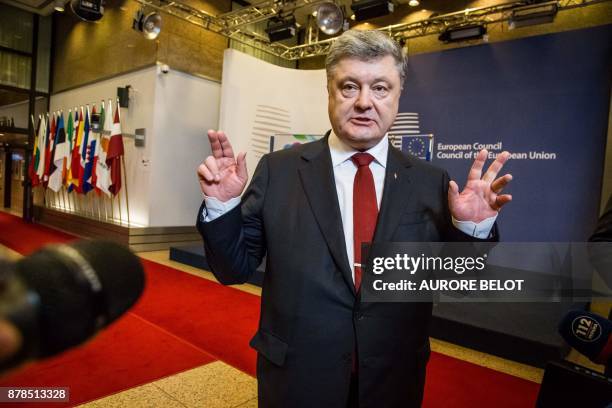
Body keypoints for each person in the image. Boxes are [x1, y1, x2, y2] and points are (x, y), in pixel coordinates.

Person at [196, 30, 512, 408]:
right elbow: (233, 269)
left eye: (380, 88)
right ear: (329, 90)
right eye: (349, 87)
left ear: (398, 95)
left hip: (392, 378)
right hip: (299, 376)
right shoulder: (279, 170)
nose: (364, 102)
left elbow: (456, 284)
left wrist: (471, 229)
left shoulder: (432, 182)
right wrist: (222, 207)